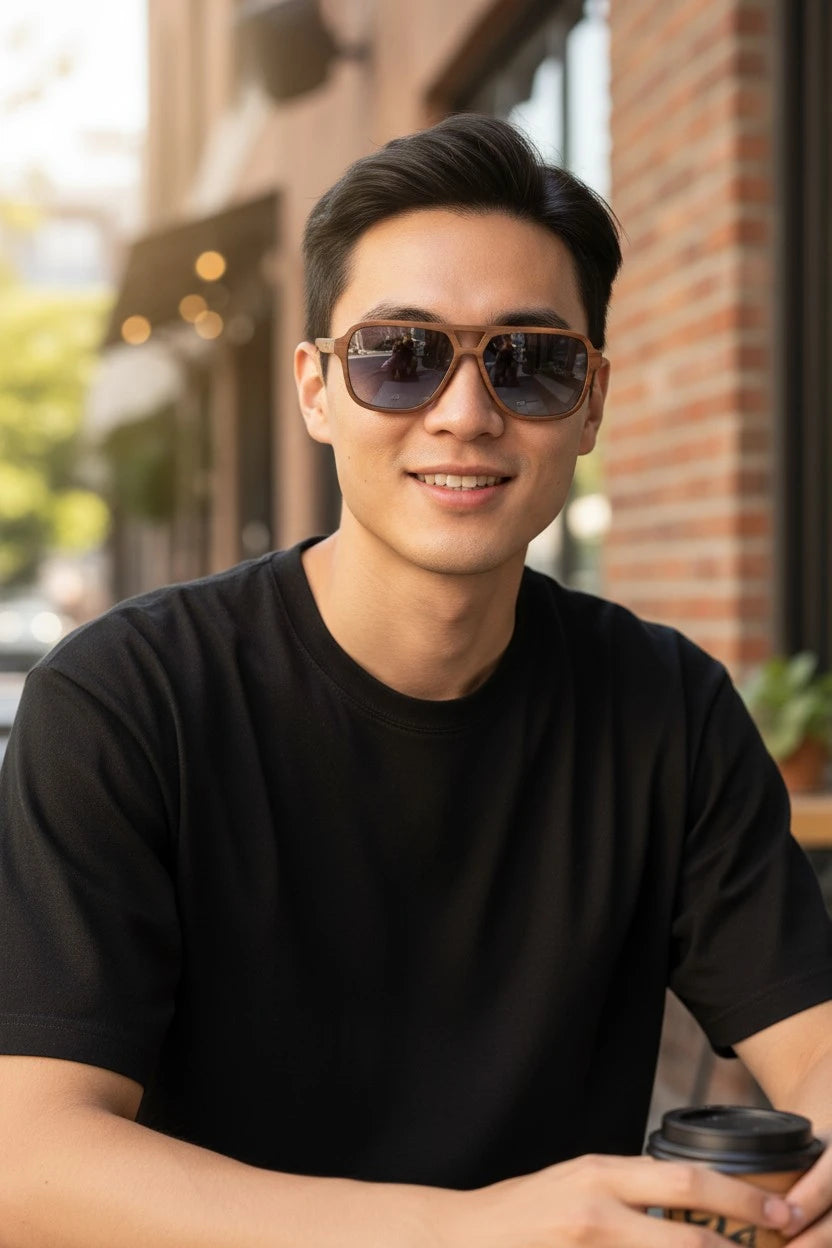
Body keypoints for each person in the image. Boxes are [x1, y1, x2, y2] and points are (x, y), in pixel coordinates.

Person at [1, 113, 831, 1248]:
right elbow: (31, 1162)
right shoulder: (125, 702)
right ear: (315, 389)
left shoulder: (665, 708)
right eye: (402, 354)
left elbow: (817, 1045)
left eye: (530, 362)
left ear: (589, 401)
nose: (464, 412)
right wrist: (483, 1231)